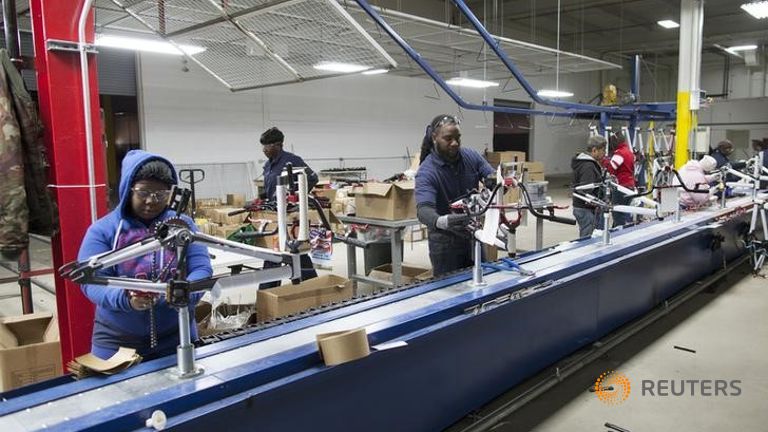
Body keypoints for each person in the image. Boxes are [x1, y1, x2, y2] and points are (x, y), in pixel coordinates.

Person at [77, 150, 212, 360]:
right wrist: (126, 299)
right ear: (128, 189)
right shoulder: (103, 231)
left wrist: (183, 293)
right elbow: (90, 282)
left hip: (178, 334)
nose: (151, 201)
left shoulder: (182, 226)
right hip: (116, 340)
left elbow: (202, 269)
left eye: (160, 194)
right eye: (143, 192)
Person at [415, 114, 494, 277]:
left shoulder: (470, 156)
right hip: (445, 244)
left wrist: (496, 185)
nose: (455, 143)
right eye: (448, 138)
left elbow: (491, 176)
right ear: (435, 137)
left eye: (458, 137)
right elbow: (423, 211)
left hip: (473, 236)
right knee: (450, 293)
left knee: (484, 281)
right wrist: (442, 221)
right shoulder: (427, 172)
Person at [259, 126, 318, 288]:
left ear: (278, 145)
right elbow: (270, 187)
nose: (264, 150)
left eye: (267, 146)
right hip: (273, 214)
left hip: (289, 215)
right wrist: (262, 198)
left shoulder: (292, 161)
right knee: (283, 251)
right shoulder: (267, 165)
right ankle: (310, 286)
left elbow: (312, 178)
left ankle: (268, 294)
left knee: (288, 251)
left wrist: (297, 197)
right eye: (263, 146)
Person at [571, 135, 606, 237]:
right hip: (585, 209)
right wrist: (596, 201)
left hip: (583, 207)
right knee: (587, 239)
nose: (604, 154)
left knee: (588, 236)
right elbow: (586, 189)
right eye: (603, 150)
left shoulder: (587, 163)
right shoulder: (588, 166)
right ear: (594, 150)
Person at [604, 132, 636, 227]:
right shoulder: (629, 152)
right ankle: (616, 231)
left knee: (617, 213)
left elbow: (611, 167)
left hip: (621, 187)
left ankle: (620, 233)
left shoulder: (620, 153)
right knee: (621, 212)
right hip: (630, 186)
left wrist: (604, 160)